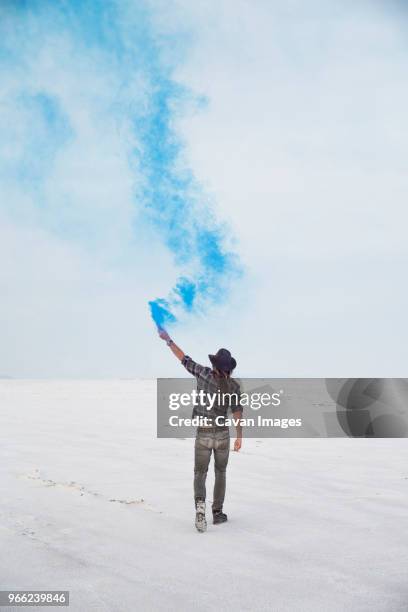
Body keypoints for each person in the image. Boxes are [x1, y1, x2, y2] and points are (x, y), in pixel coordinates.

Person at [158, 328, 243, 532]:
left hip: (203, 433)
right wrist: (239, 436)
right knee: (220, 472)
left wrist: (168, 340)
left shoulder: (204, 373)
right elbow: (238, 411)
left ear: (214, 364)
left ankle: (200, 510)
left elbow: (183, 358)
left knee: (200, 473)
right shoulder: (233, 385)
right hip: (222, 434)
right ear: (229, 369)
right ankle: (217, 513)